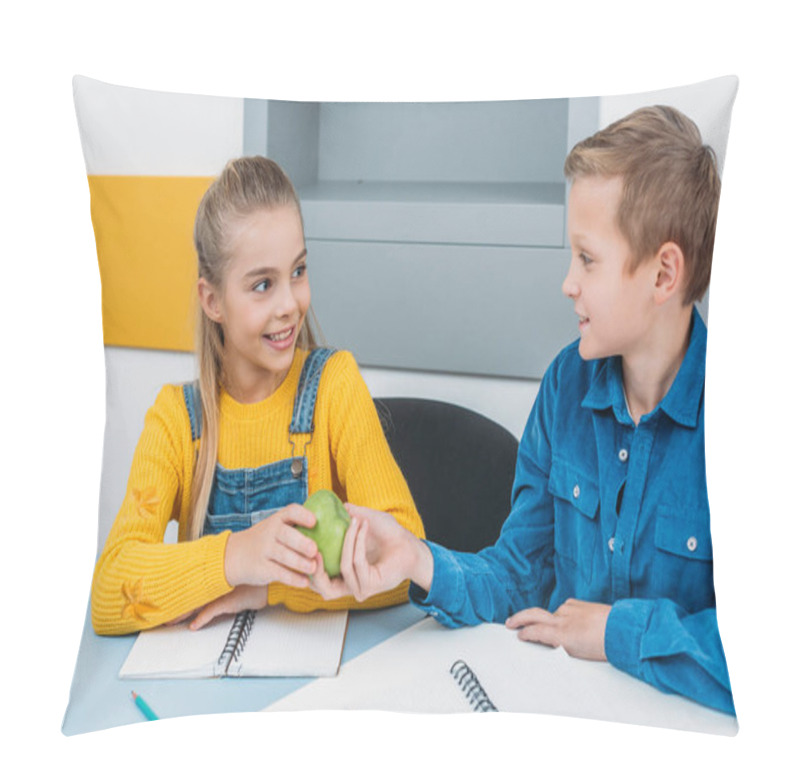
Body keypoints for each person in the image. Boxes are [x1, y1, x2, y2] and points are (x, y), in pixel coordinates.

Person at [318, 106, 735, 715]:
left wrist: (617, 633)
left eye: (587, 260)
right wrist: (419, 559)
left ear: (664, 272)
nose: (568, 282)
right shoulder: (567, 384)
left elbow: (766, 654)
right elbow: (517, 576)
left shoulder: (740, 416)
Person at [91, 156, 424, 636]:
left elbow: (408, 558)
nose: (289, 304)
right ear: (213, 301)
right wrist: (236, 557)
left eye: (299, 271)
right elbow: (109, 592)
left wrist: (270, 588)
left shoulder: (335, 386)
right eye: (263, 285)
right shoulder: (177, 421)